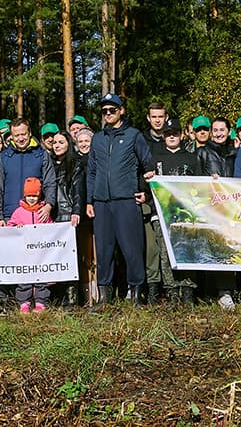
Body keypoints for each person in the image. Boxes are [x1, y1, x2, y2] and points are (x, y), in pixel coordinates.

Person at [83, 94, 151, 304]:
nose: (108, 114)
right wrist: (89, 200)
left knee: (132, 249)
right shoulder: (98, 138)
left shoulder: (133, 135)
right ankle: (105, 297)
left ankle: (137, 294)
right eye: (104, 111)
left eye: (112, 110)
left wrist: (144, 191)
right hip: (102, 203)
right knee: (103, 251)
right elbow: (92, 171)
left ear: (121, 111)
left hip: (126, 201)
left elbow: (148, 166)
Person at [144, 118, 200, 304]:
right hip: (161, 213)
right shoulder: (155, 158)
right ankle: (171, 290)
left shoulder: (191, 158)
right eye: (168, 134)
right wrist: (147, 179)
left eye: (175, 133)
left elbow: (201, 185)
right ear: (163, 136)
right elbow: (143, 184)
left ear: (181, 135)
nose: (172, 136)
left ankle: (188, 289)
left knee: (187, 249)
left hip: (186, 213)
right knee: (165, 252)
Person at [45, 128, 89, 306]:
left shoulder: (75, 164)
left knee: (71, 257)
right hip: (51, 217)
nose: (57, 145)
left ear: (68, 144)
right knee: (54, 257)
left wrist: (76, 211)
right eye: (54, 142)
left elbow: (78, 190)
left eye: (61, 142)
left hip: (68, 216)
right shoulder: (48, 164)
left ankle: (72, 299)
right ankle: (57, 297)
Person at [0, 120, 58, 226]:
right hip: (10, 217)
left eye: (23, 134)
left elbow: (50, 183)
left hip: (37, 216)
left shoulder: (42, 155)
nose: (20, 138)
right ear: (12, 136)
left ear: (30, 133)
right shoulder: (3, 157)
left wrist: (49, 205)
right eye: (17, 135)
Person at [8, 177, 54, 313]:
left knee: (41, 279)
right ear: (24, 195)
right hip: (24, 254)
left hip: (40, 254)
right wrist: (17, 227)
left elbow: (51, 228)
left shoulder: (43, 212)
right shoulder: (19, 212)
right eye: (29, 196)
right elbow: (10, 227)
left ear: (39, 195)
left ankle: (40, 302)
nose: (32, 199)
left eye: (34, 195)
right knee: (24, 278)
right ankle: (24, 303)